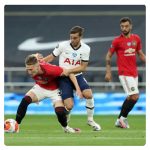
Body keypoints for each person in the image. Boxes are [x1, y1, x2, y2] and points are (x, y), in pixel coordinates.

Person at [38, 26, 101, 131]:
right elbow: (51, 57)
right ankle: (66, 123)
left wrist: (69, 71)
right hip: (63, 77)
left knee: (89, 94)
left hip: (78, 75)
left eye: (75, 38)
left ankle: (90, 120)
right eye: (71, 37)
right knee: (69, 105)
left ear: (80, 37)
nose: (72, 40)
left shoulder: (86, 48)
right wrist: (39, 64)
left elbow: (83, 67)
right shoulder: (62, 45)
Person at [15, 54, 80, 133]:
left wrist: (77, 88)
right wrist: (34, 55)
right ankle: (16, 126)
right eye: (27, 69)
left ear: (38, 66)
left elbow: (69, 72)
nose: (29, 72)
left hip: (55, 90)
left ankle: (66, 127)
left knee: (59, 111)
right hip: (41, 87)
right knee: (25, 100)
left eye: (31, 69)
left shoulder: (51, 69)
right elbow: (34, 57)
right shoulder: (33, 65)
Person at [105, 17, 146, 128]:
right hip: (124, 73)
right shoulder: (117, 41)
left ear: (131, 26)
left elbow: (140, 54)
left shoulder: (136, 38)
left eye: (126, 26)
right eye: (122, 26)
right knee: (135, 96)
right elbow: (108, 56)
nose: (124, 28)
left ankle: (119, 120)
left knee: (130, 97)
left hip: (134, 73)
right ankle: (123, 119)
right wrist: (108, 72)